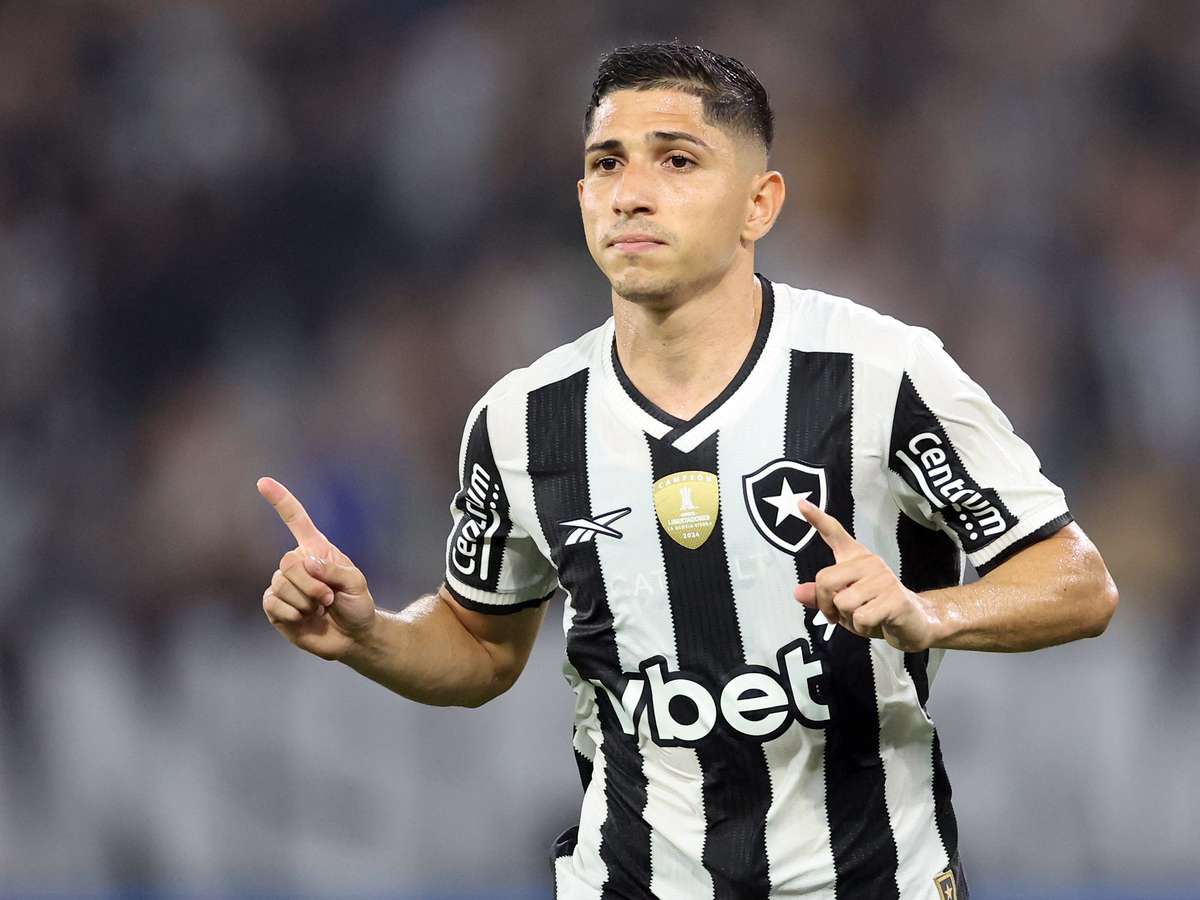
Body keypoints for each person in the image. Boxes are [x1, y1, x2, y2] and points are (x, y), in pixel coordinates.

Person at [256, 41, 1118, 900]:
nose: (631, 192)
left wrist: (930, 612)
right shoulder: (523, 420)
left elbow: (1078, 581)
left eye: (676, 160)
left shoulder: (882, 374)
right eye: (607, 163)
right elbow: (480, 644)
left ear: (758, 204)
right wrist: (371, 636)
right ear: (583, 196)